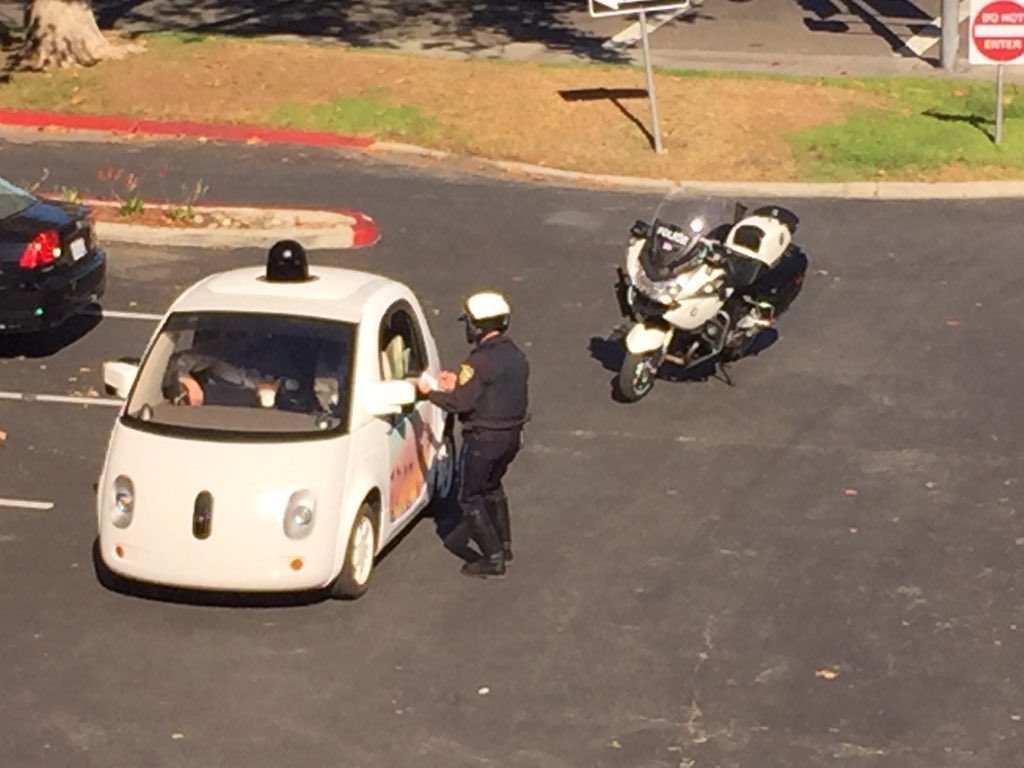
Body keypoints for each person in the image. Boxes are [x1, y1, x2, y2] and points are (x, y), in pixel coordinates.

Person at [417, 291, 529, 578]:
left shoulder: (478, 361)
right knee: (492, 487)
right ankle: (504, 544)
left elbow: (460, 404)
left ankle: (492, 558)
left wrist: (430, 393)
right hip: (510, 437)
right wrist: (458, 383)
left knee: (469, 496)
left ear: (477, 326)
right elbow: (491, 391)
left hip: (483, 439)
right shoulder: (515, 355)